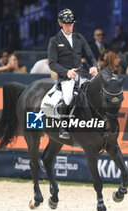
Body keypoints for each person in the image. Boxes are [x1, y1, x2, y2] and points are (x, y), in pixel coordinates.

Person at [48, 8, 98, 139]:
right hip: (66, 76)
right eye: (66, 25)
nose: (69, 27)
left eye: (71, 24)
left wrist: (94, 66)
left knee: (96, 90)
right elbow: (52, 63)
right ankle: (64, 126)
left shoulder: (79, 38)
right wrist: (66, 72)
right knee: (68, 97)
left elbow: (90, 56)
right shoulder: (54, 40)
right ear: (60, 24)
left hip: (81, 73)